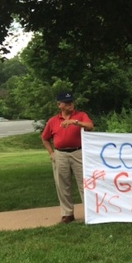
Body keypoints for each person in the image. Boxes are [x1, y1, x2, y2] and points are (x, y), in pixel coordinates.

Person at [42, 91, 94, 223]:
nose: (70, 104)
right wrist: (51, 153)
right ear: (60, 105)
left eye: (71, 101)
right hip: (60, 154)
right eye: (67, 102)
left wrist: (75, 122)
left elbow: (90, 126)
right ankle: (67, 214)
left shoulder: (80, 115)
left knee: (85, 183)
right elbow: (45, 138)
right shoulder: (53, 121)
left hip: (78, 152)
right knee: (62, 184)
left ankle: (90, 212)